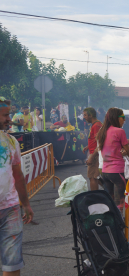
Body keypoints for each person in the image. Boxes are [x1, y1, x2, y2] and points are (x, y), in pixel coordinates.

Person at [0, 97, 34, 275]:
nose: (9, 119)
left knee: (12, 265)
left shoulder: (11, 141)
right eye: (5, 115)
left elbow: (18, 175)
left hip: (10, 210)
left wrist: (25, 204)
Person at [96, 108, 129, 211]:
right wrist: (127, 150)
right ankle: (119, 223)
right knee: (120, 202)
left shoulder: (102, 132)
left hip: (105, 171)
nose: (124, 120)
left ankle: (111, 222)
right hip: (116, 171)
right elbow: (127, 151)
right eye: (122, 118)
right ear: (116, 118)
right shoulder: (119, 131)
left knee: (110, 200)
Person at [82, 108, 103, 191]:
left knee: (92, 177)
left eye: (85, 115)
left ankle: (95, 197)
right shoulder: (95, 125)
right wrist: (88, 146)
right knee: (95, 177)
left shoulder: (97, 125)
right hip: (94, 153)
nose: (84, 117)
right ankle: (110, 190)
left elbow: (100, 142)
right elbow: (95, 140)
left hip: (95, 155)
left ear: (91, 115)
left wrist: (92, 156)